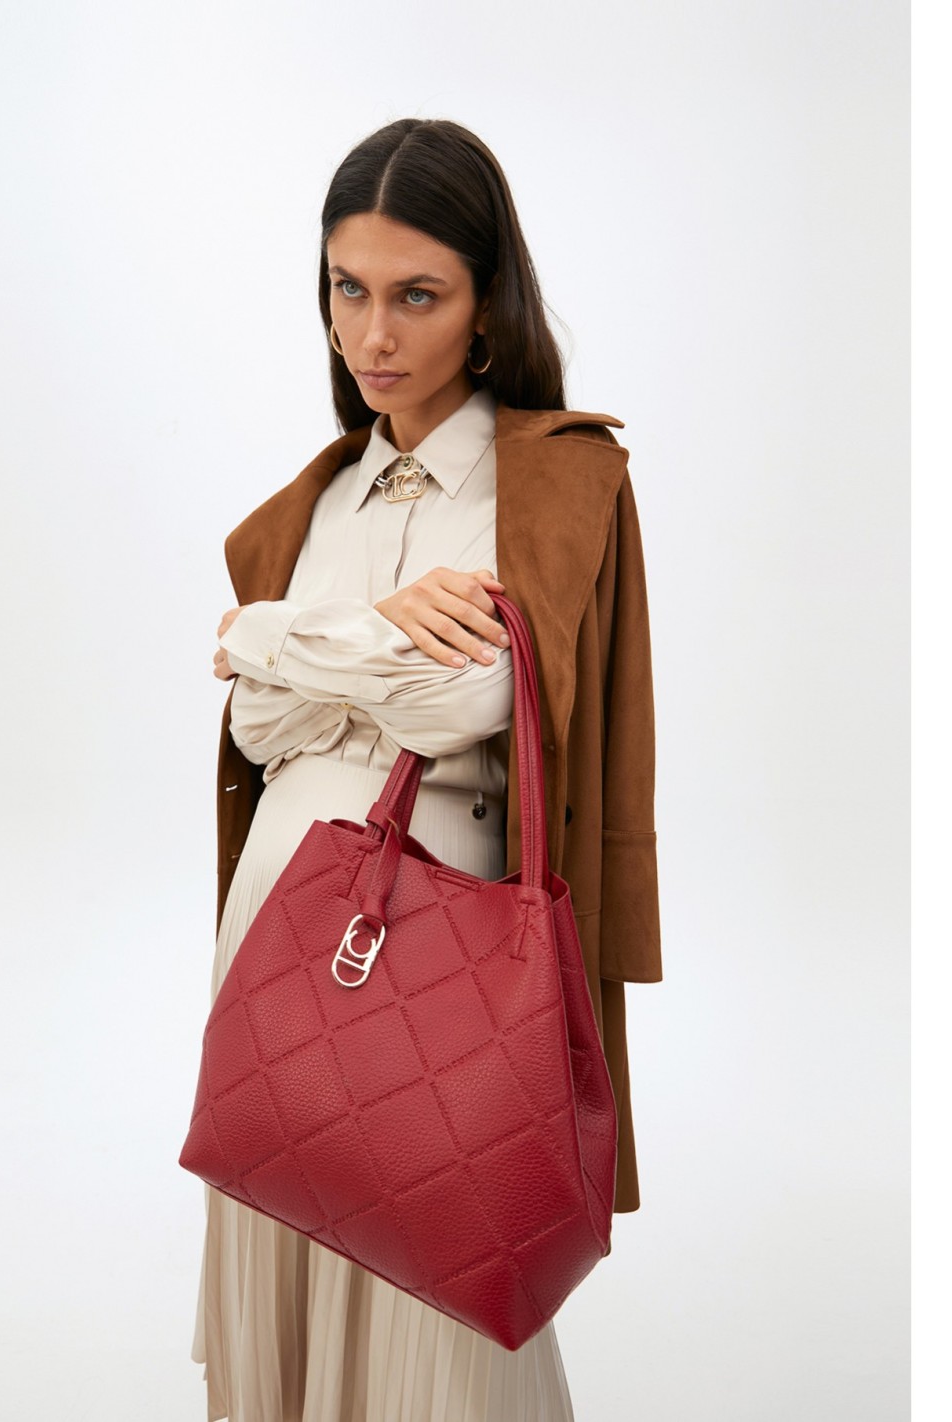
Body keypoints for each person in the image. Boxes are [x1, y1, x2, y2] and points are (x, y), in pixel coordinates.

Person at [192, 118, 662, 1422]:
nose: (373, 335)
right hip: (271, 931)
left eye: (417, 296)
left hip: (439, 941)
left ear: (486, 302)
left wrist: (279, 641)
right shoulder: (321, 496)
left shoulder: (553, 479)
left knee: (437, 1284)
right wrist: (351, 634)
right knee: (284, 1255)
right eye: (348, 289)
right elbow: (254, 725)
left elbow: (472, 698)